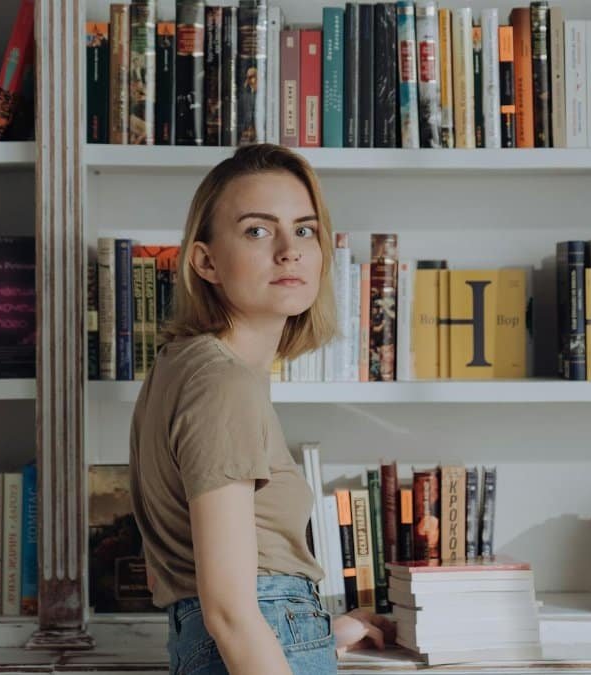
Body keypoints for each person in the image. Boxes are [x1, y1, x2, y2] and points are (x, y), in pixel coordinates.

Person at [129, 144, 394, 675]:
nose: (289, 250)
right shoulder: (222, 382)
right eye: (257, 230)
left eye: (304, 230)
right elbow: (229, 612)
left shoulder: (183, 366)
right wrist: (286, 626)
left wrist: (323, 633)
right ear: (205, 261)